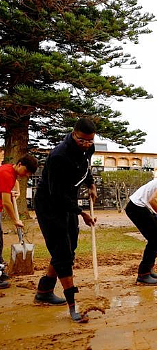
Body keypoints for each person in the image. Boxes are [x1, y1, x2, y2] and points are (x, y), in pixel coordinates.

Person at [33, 118, 97, 323]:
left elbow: (86, 167)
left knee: (71, 245)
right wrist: (81, 212)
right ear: (73, 133)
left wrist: (91, 184)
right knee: (62, 251)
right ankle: (73, 307)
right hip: (50, 204)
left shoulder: (89, 147)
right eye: (82, 141)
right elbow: (56, 194)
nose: (86, 144)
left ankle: (44, 290)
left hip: (67, 202)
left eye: (90, 141)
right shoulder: (59, 155)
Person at [0, 156, 38, 289]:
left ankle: (0, 270)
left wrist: (18, 190)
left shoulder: (11, 170)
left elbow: (14, 181)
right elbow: (6, 202)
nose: (27, 175)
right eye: (27, 171)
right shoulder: (5, 173)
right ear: (20, 164)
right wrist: (15, 220)